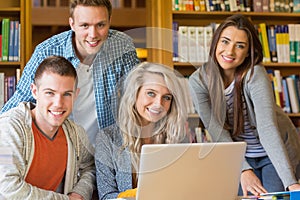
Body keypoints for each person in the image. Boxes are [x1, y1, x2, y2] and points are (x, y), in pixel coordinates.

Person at [189, 14, 300, 197]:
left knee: (273, 197)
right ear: (215, 43)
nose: (230, 51)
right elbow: (216, 130)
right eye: (225, 42)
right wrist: (242, 169)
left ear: (248, 51)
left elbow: (267, 128)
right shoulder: (198, 82)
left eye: (240, 46)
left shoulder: (254, 74)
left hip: (274, 154)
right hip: (240, 155)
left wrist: (291, 183)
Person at [0, 0, 140, 146]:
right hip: (62, 149)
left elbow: (136, 95)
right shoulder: (46, 51)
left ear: (109, 22)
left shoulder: (122, 46)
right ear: (72, 24)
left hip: (108, 150)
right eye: (85, 25)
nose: (93, 35)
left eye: (100, 25)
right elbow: (19, 103)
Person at [0, 56, 95, 199]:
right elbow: (7, 187)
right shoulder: (9, 128)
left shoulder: (75, 133)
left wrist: (79, 193)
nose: (58, 103)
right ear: (34, 91)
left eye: (67, 94)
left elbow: (90, 167)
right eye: (50, 93)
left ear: (76, 95)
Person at [95, 62, 189, 199]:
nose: (158, 104)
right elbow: (106, 196)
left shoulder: (177, 136)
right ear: (134, 94)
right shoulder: (107, 138)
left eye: (166, 97)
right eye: (151, 93)